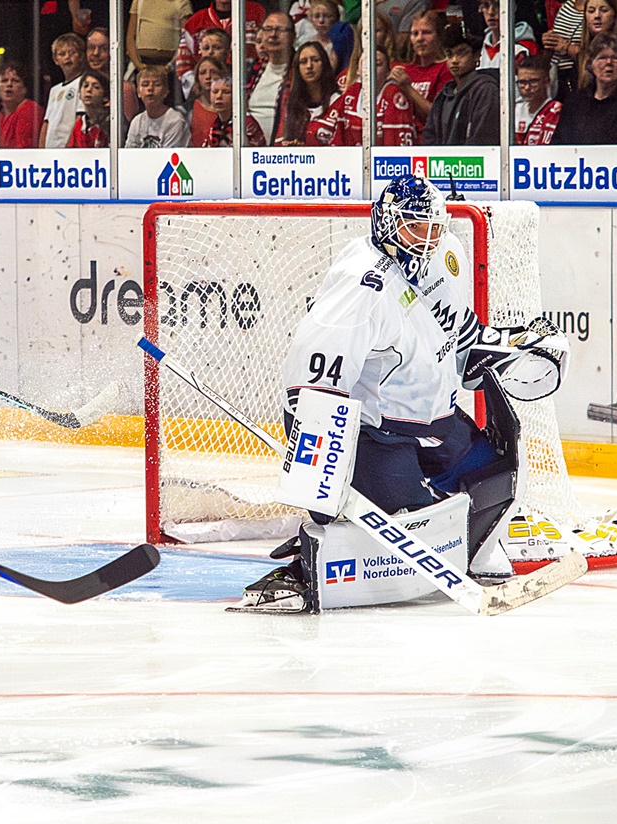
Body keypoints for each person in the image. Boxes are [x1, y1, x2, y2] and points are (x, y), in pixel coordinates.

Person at [232, 174, 569, 613]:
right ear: (388, 224)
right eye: (415, 227)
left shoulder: (441, 256)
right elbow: (309, 391)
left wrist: (511, 346)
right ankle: (306, 566)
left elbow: (458, 334)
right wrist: (320, 492)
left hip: (437, 423)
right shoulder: (359, 289)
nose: (427, 240)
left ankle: (472, 550)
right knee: (408, 523)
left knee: (495, 479)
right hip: (380, 434)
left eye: (434, 228)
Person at [555, 31, 617, 143]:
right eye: (602, 58)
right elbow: (559, 142)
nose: (609, 62)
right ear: (591, 64)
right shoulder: (575, 101)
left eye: (616, 58)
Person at [325, 44, 417, 146]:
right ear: (358, 71)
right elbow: (337, 140)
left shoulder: (395, 96)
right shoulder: (351, 94)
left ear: (387, 73)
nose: (370, 69)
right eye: (365, 64)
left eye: (377, 64)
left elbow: (395, 151)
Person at [422, 27, 500, 145]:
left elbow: (482, 140)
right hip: (445, 162)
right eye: (449, 54)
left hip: (473, 162)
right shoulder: (444, 94)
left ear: (477, 56)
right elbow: (429, 137)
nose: (454, 60)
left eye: (461, 53)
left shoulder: (486, 89)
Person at [389, 10, 450, 138]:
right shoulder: (400, 68)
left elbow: (439, 117)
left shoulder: (446, 68)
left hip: (429, 140)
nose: (420, 38)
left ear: (439, 35)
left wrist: (408, 88)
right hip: (399, 137)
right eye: (415, 33)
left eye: (427, 32)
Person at [247, 12, 297, 144]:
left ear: (293, 36)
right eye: (268, 29)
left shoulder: (301, 70)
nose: (273, 35)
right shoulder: (253, 70)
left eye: (280, 30)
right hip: (251, 152)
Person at [278, 42, 339, 145]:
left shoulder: (338, 101)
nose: (309, 66)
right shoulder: (291, 103)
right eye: (303, 62)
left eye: (315, 60)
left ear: (324, 63)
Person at [0, 59, 44, 149]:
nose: (9, 84)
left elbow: (23, 150)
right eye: (4, 81)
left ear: (25, 88)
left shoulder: (30, 109)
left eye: (15, 81)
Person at [125, 65, 191, 148]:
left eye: (157, 84)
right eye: (145, 85)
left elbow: (168, 157)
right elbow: (129, 154)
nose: (150, 88)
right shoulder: (137, 121)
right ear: (138, 92)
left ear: (166, 91)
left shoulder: (175, 120)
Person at [40, 32, 87, 149]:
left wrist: (69, 147)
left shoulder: (83, 83)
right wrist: (40, 149)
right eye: (62, 54)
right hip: (50, 149)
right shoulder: (54, 90)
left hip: (67, 149)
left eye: (72, 53)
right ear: (56, 59)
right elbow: (47, 122)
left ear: (81, 56)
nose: (67, 57)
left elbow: (79, 119)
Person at [126, 0, 192, 77]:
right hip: (142, 63)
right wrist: (138, 65)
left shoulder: (182, 2)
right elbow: (130, 37)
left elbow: (186, 40)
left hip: (171, 66)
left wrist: (169, 66)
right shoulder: (139, 1)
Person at [570, 0, 617, 90]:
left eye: (604, 10)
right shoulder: (581, 55)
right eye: (591, 11)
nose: (597, 16)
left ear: (615, 15)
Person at [200, 76, 267, 146]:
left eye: (226, 92)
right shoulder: (214, 125)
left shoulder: (246, 124)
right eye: (215, 92)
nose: (219, 96)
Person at [515, 54, 563, 144]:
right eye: (522, 82)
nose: (527, 87)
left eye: (533, 81)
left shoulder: (556, 110)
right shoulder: (516, 111)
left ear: (547, 81)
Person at [542, 0, 585, 89]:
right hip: (555, 75)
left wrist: (566, 47)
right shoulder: (566, 7)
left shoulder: (596, 11)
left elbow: (595, 55)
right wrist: (548, 40)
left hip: (577, 79)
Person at [187, 56, 228, 147]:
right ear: (197, 78)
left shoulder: (230, 107)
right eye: (203, 73)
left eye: (213, 72)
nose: (208, 77)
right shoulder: (189, 109)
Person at [67, 69, 112, 148]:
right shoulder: (79, 124)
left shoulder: (112, 123)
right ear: (79, 94)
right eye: (85, 86)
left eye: (96, 87)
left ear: (106, 97)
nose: (88, 90)